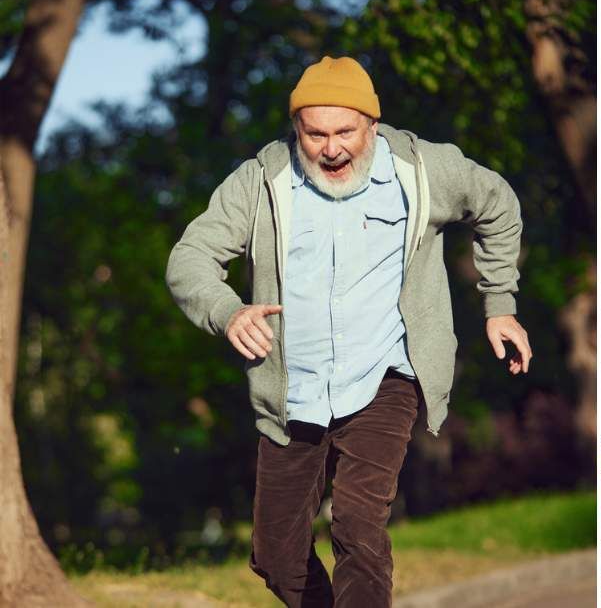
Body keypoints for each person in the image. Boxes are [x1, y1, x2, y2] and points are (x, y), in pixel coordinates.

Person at [165, 56, 532, 607]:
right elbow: (190, 257)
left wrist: (499, 304)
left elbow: (497, 204)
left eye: (345, 132)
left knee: (359, 522)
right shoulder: (263, 181)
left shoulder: (423, 169)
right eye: (315, 134)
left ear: (373, 125)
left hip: (386, 374)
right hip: (293, 390)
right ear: (297, 131)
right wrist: (228, 311)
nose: (331, 148)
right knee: (275, 554)